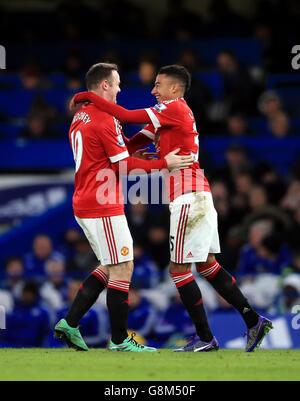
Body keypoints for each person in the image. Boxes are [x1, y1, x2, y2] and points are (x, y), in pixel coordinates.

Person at [71, 64, 274, 352]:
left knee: (179, 271)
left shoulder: (175, 108)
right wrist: (130, 151)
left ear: (174, 88)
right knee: (208, 266)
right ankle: (254, 322)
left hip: (188, 197)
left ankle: (206, 339)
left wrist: (86, 96)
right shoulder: (165, 117)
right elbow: (132, 143)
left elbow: (126, 116)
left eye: (158, 85)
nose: (153, 90)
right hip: (198, 195)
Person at [54, 62, 193, 352]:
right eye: (116, 83)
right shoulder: (104, 117)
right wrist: (161, 163)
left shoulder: (81, 115)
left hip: (88, 198)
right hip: (101, 201)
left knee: (110, 265)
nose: (119, 88)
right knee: (123, 267)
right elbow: (124, 166)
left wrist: (130, 148)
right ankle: (119, 340)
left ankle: (69, 323)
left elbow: (105, 154)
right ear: (104, 85)